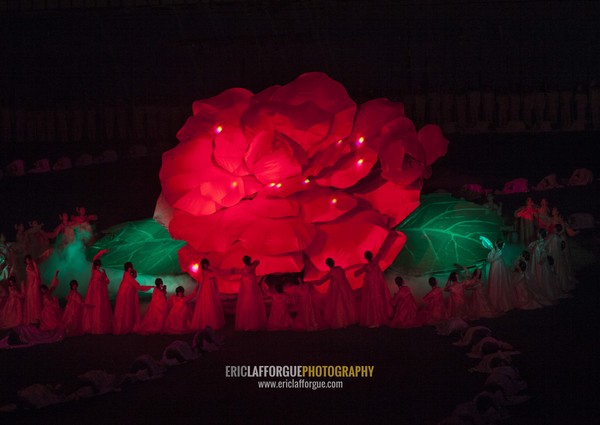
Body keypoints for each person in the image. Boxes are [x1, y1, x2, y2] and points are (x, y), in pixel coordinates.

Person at [313, 258, 357, 329]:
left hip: (336, 291)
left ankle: (341, 321)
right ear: (333, 262)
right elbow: (343, 277)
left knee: (337, 304)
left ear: (327, 265)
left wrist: (311, 282)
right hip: (343, 289)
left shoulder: (331, 273)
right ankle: (347, 319)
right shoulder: (339, 269)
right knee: (344, 303)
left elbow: (320, 282)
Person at [113, 262, 153, 335]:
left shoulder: (126, 275)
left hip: (123, 295)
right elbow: (138, 287)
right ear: (129, 268)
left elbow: (133, 282)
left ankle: (122, 328)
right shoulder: (128, 277)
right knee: (124, 312)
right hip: (124, 296)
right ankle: (123, 328)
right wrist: (151, 287)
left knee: (123, 312)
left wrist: (134, 274)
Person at [354, 250, 391, 328]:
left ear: (366, 257)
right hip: (377, 286)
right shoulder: (375, 263)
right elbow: (381, 253)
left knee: (372, 301)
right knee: (378, 300)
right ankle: (380, 318)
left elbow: (356, 274)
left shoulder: (367, 266)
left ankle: (375, 320)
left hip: (371, 287)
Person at [232, 256, 267, 331]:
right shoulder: (252, 267)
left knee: (246, 302)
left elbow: (235, 271)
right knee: (253, 302)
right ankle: (254, 322)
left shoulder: (245, 270)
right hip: (252, 289)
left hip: (247, 290)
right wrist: (251, 263)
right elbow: (257, 261)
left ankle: (247, 323)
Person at [82, 249, 112, 334]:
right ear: (95, 265)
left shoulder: (100, 272)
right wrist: (102, 252)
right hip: (94, 291)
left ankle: (99, 325)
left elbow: (107, 281)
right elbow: (95, 257)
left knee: (100, 306)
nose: (98, 266)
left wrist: (105, 275)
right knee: (95, 305)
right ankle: (94, 325)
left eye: (99, 265)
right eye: (97, 265)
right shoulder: (94, 271)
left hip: (100, 291)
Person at [190, 259, 225, 330]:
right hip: (206, 291)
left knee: (212, 304)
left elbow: (216, 273)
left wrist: (210, 268)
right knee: (207, 304)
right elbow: (200, 281)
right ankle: (206, 322)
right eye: (204, 264)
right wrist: (195, 291)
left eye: (206, 264)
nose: (205, 265)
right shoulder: (204, 272)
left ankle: (211, 322)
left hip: (211, 290)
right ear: (202, 265)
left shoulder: (209, 271)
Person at [487, 241, 515, 313]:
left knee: (498, 281)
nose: (494, 243)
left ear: (497, 244)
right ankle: (493, 301)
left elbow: (491, 259)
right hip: (495, 267)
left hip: (497, 267)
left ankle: (498, 302)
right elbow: (490, 259)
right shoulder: (496, 250)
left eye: (496, 243)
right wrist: (492, 250)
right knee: (494, 281)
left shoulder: (499, 252)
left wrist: (492, 251)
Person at [23, 255, 42, 325]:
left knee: (35, 300)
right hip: (32, 287)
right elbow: (36, 274)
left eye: (29, 259)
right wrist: (35, 264)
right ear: (26, 261)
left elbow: (38, 274)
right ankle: (33, 318)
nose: (29, 261)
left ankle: (36, 318)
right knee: (33, 301)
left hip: (34, 285)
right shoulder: (28, 268)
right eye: (27, 260)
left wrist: (34, 265)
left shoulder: (31, 267)